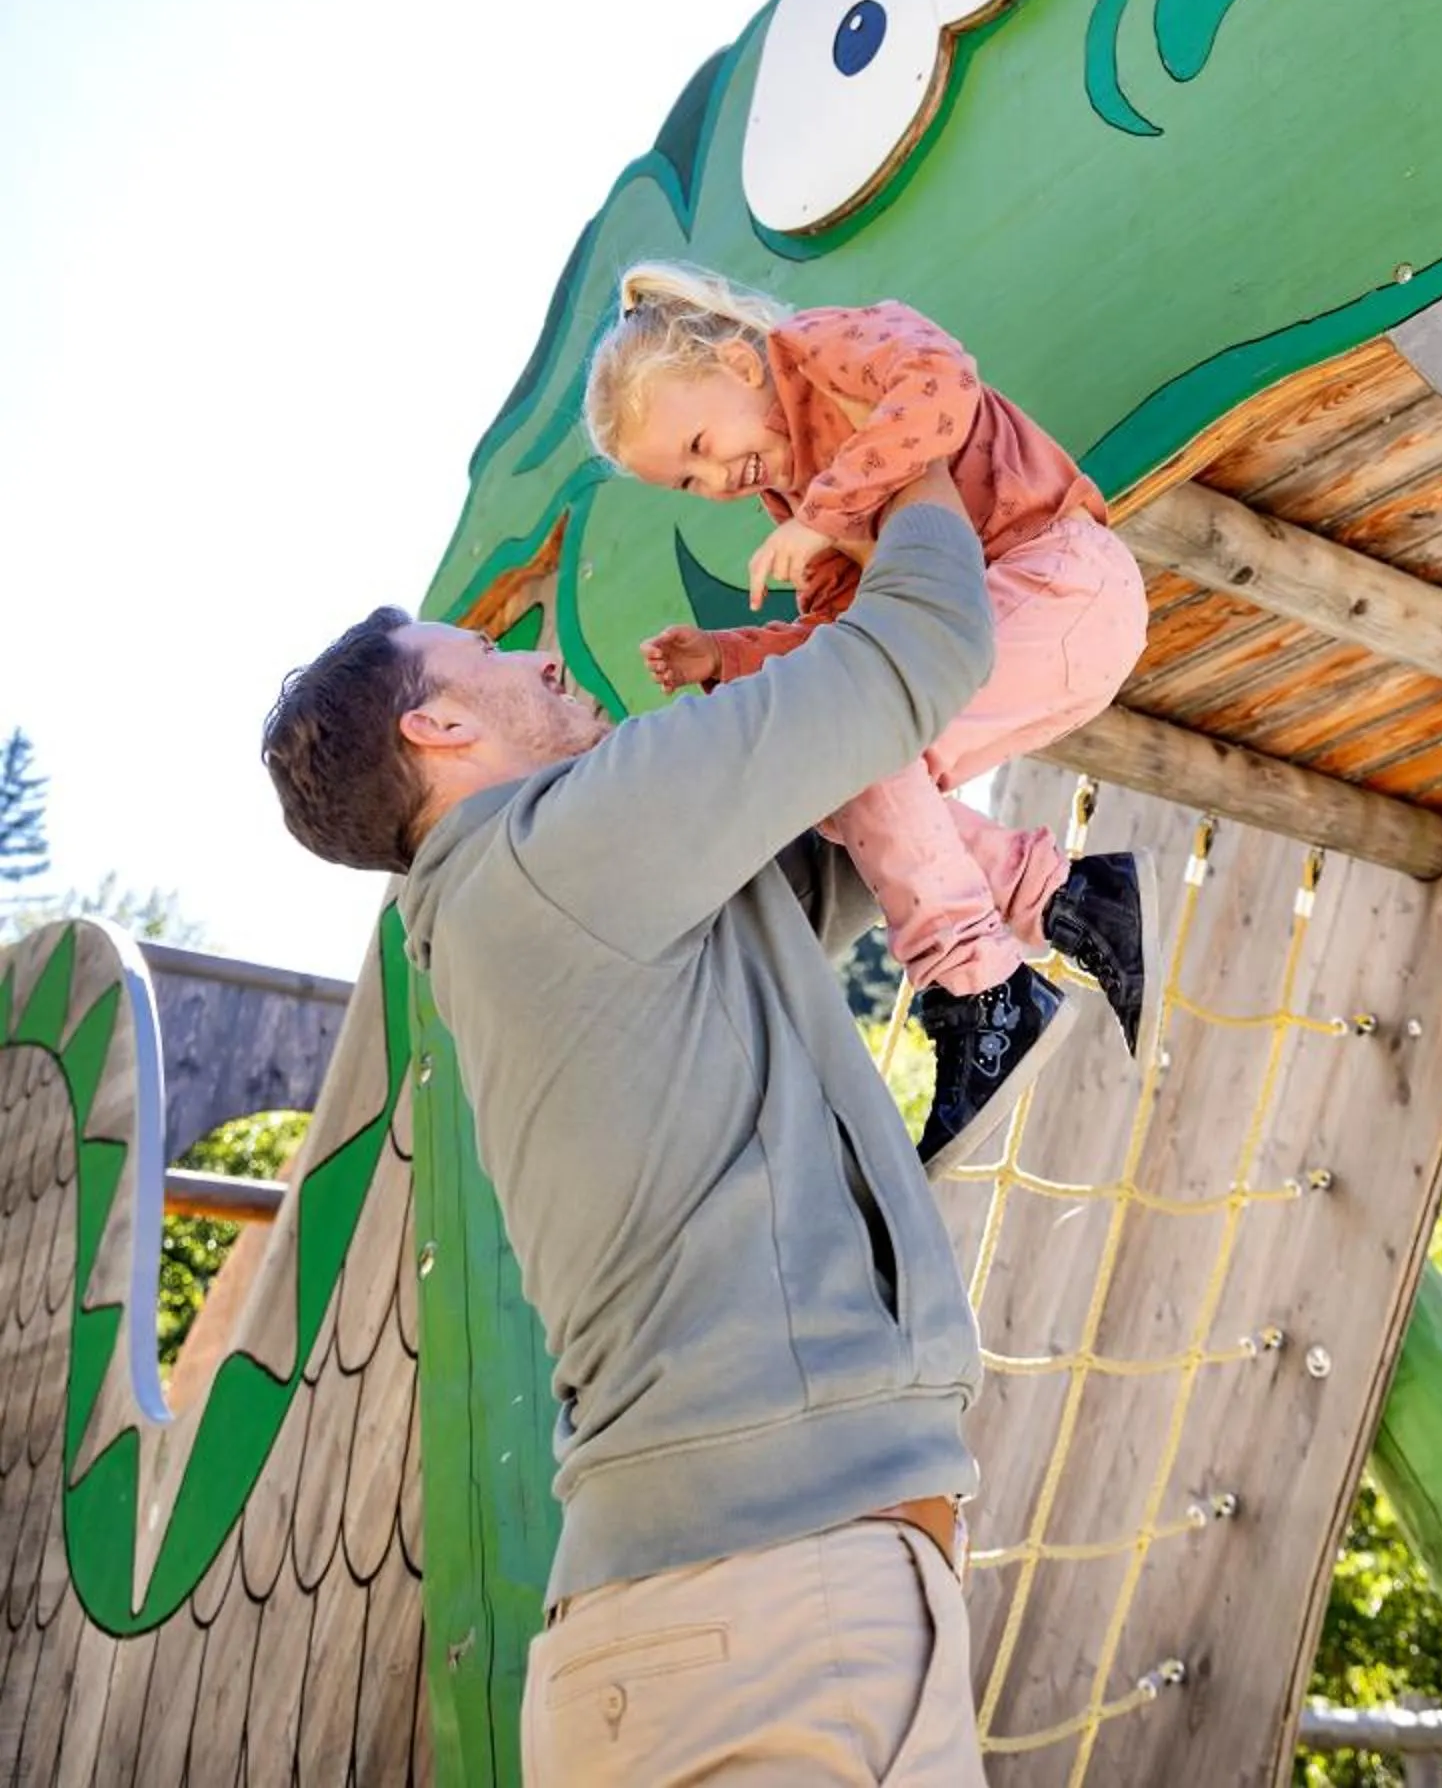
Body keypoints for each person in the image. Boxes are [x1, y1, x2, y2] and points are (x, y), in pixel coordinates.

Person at [263, 469, 1004, 1784]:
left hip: (680, 1628)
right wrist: (921, 462)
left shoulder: (523, 902)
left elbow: (824, 863)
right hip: (772, 1614)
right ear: (436, 725)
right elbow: (921, 652)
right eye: (492, 652)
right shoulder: (563, 844)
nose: (543, 654)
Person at [582, 263, 1156, 1170]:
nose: (712, 477)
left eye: (698, 444)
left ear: (738, 366)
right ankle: (1066, 902)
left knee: (851, 731)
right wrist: (728, 656)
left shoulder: (820, 349)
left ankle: (984, 986)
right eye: (687, 484)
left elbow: (940, 387)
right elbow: (835, 636)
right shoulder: (794, 502)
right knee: (834, 755)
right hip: (1029, 629)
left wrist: (827, 510)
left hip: (1061, 580)